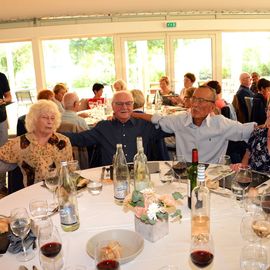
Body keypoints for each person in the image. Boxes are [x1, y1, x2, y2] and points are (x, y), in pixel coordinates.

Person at [132, 86, 256, 164]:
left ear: (212, 107)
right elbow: (157, 119)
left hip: (211, 177)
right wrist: (132, 114)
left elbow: (249, 131)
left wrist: (266, 124)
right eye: (194, 99)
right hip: (183, 175)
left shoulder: (220, 124)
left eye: (201, 101)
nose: (195, 104)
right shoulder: (180, 120)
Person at [63, 91, 169, 166]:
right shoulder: (103, 127)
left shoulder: (145, 125)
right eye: (119, 104)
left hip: (139, 176)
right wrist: (51, 134)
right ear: (112, 106)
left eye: (128, 103)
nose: (124, 107)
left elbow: (171, 127)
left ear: (133, 105)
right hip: (111, 179)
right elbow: (80, 139)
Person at [0, 100, 73, 187]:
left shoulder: (63, 141)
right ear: (34, 120)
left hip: (61, 190)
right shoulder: (20, 143)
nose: (50, 121)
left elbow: (71, 170)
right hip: (33, 193)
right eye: (45, 117)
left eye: (53, 118)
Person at [236, 101, 270, 173]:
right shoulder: (257, 133)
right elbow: (246, 158)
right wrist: (242, 172)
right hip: (254, 182)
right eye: (269, 109)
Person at [0, 72, 12, 195]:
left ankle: (2, 185)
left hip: (1, 119)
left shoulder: (1, 76)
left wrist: (2, 101)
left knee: (3, 152)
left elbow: (9, 97)